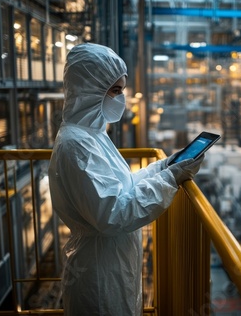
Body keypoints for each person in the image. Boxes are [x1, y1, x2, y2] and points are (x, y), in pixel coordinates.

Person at [48, 43, 204, 316]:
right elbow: (113, 214)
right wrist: (169, 179)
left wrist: (164, 166)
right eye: (116, 91)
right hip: (99, 274)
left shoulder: (92, 136)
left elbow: (122, 187)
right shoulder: (78, 145)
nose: (121, 99)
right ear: (91, 89)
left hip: (109, 263)